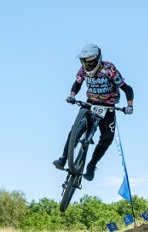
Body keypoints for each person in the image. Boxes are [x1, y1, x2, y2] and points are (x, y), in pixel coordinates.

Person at [53, 43, 134, 181]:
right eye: (85, 61)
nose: (88, 65)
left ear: (97, 59)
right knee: (75, 130)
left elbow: (127, 88)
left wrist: (129, 105)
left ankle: (91, 166)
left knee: (107, 138)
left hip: (108, 107)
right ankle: (63, 158)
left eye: (90, 62)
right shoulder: (83, 70)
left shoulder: (110, 70)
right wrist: (72, 95)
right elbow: (77, 83)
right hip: (90, 102)